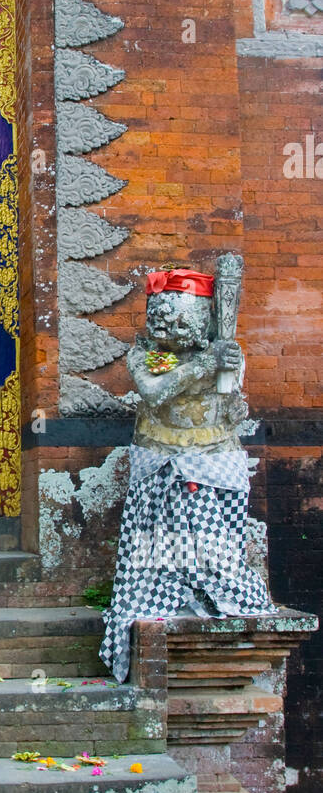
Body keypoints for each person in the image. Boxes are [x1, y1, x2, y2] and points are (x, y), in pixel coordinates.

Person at [99, 266, 274, 683]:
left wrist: (230, 381)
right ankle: (166, 596)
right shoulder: (144, 354)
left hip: (215, 455)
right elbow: (155, 392)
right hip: (162, 455)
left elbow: (232, 405)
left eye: (176, 317)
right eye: (158, 316)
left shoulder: (225, 352)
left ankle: (212, 592)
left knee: (216, 537)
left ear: (201, 319)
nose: (165, 325)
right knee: (164, 532)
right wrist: (203, 365)